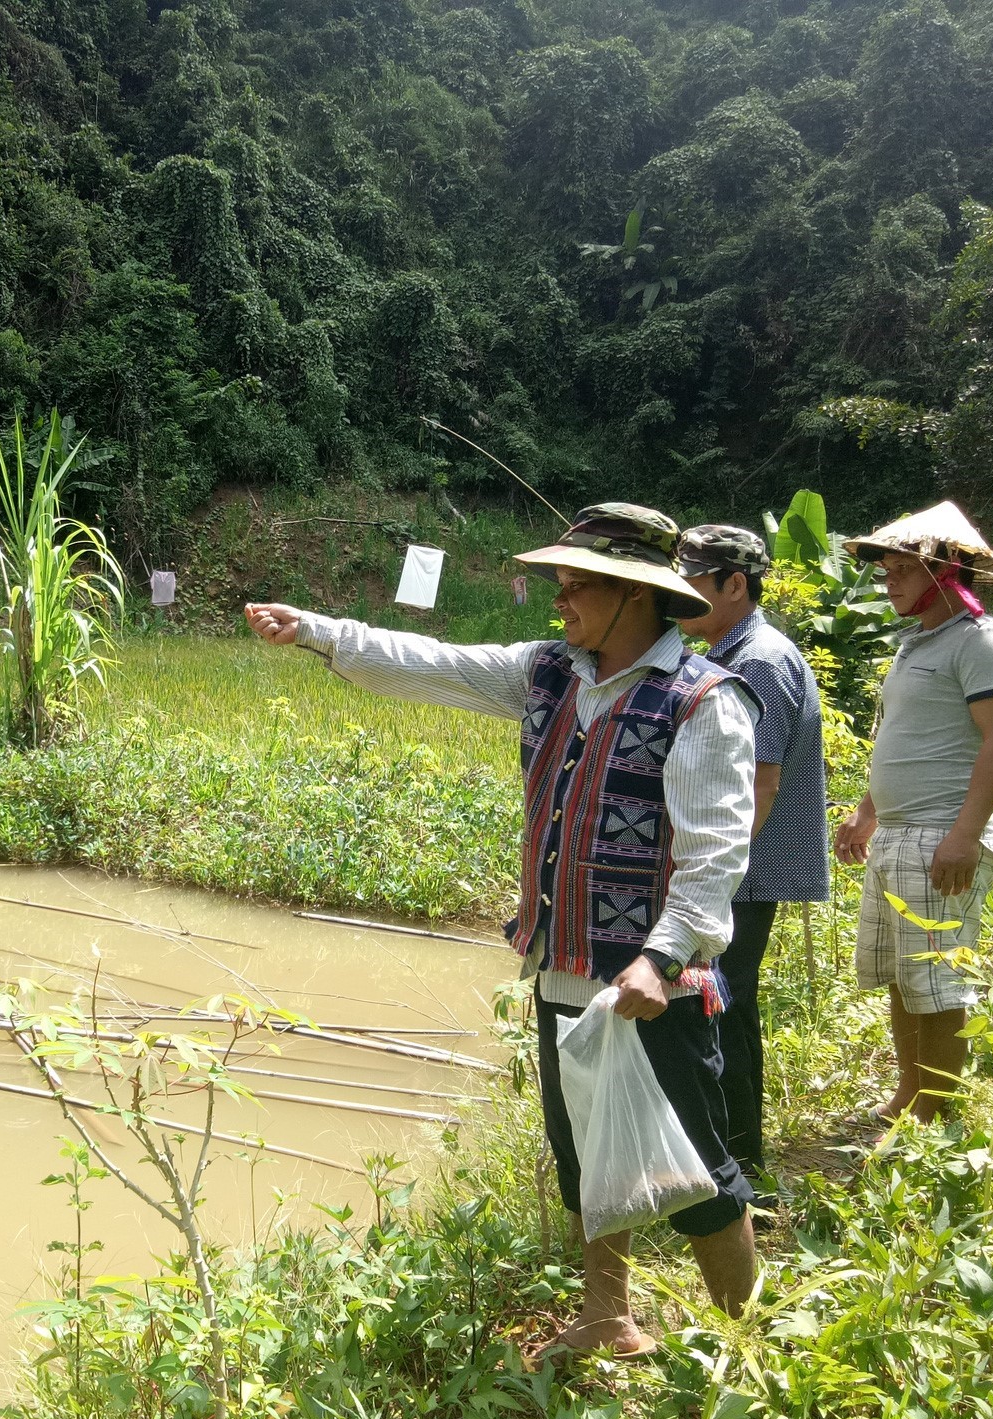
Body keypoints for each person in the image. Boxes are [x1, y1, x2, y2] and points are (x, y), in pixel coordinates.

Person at [245, 503, 759, 1358]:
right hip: (563, 968)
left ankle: (753, 1349)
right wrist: (315, 631)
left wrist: (659, 956)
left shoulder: (702, 703)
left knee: (697, 1173)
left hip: (652, 986)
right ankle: (609, 1320)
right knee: (587, 1158)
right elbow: (432, 663)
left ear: (633, 594)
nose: (560, 601)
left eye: (575, 585)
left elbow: (714, 857)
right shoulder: (549, 672)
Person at [832, 501, 993, 1125]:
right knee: (899, 977)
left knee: (937, 986)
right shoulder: (919, 643)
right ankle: (909, 1094)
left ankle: (936, 1116)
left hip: (941, 835)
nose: (888, 578)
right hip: (899, 836)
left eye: (902, 568)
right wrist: (867, 813)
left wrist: (964, 835)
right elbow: (902, 737)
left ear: (947, 569)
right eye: (885, 567)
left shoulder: (981, 641)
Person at [675, 525, 828, 1199]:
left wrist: (715, 878)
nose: (678, 600)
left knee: (723, 1009)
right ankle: (730, 1160)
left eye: (693, 586)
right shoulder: (738, 649)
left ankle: (739, 1168)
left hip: (741, 872)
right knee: (722, 1007)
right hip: (737, 869)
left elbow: (758, 783)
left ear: (735, 585)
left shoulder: (759, 660)